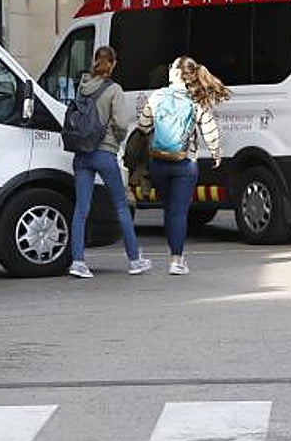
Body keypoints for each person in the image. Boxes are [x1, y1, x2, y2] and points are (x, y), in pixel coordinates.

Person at [136, 55, 229, 275]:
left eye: (171, 66)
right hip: (185, 162)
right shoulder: (194, 99)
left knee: (169, 210)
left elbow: (143, 125)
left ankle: (174, 252)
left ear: (176, 73)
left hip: (158, 162)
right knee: (179, 212)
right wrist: (216, 152)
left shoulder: (157, 96)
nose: (168, 69)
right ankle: (176, 260)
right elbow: (209, 128)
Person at [67, 46, 151, 279]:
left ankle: (78, 261)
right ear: (113, 64)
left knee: (81, 209)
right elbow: (122, 123)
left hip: (81, 153)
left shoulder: (82, 87)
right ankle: (134, 260)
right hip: (104, 153)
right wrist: (117, 138)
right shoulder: (114, 89)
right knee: (121, 206)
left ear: (95, 62)